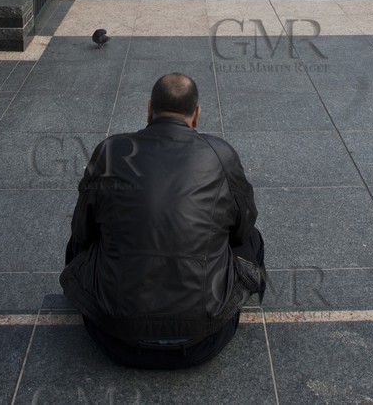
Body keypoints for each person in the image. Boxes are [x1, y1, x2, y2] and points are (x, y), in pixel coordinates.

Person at [61, 74, 264, 370]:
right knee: (251, 237)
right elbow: (242, 229)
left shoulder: (110, 151)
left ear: (148, 110)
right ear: (196, 116)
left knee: (84, 238)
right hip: (203, 338)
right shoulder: (221, 154)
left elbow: (82, 232)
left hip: (113, 336)